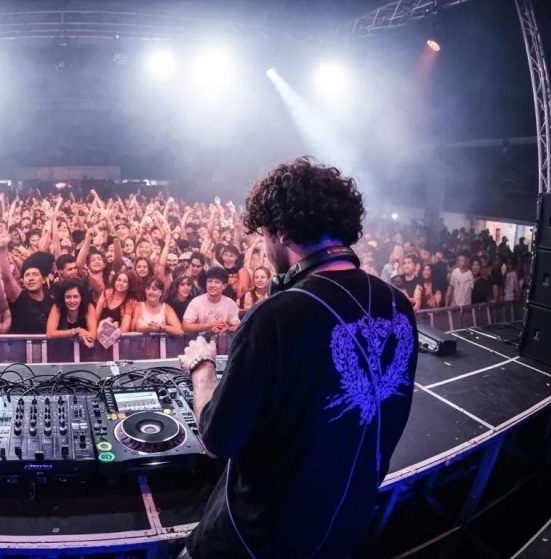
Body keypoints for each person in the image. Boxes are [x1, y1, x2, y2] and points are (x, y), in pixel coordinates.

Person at [177, 157, 417, 558]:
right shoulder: (398, 305)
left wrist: (202, 368)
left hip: (258, 539)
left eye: (264, 236)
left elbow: (217, 438)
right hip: (348, 527)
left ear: (281, 231)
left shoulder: (275, 316)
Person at [0, 235, 53, 334]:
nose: (30, 278)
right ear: (23, 280)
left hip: (46, 348)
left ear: (44, 280)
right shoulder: (19, 297)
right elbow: (6, 276)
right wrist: (2, 249)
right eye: (27, 275)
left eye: (35, 274)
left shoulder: (52, 301)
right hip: (19, 348)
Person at [181, 267, 240, 335]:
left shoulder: (230, 303)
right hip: (200, 342)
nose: (212, 285)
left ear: (224, 286)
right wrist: (210, 325)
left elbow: (236, 323)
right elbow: (185, 326)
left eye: (217, 282)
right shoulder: (196, 302)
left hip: (223, 340)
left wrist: (227, 325)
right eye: (209, 281)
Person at [45, 279, 97, 347]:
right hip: (61, 349)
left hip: (84, 350)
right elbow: (50, 334)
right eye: (68, 297)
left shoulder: (89, 307)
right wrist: (75, 331)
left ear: (81, 297)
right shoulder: (57, 307)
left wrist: (83, 335)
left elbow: (93, 335)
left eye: (76, 297)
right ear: (63, 298)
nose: (72, 301)